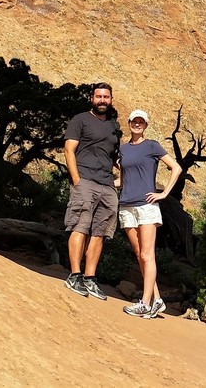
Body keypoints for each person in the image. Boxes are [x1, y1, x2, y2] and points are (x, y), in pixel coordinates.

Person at [117, 109, 182, 319]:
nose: (137, 124)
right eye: (134, 121)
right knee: (139, 255)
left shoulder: (152, 146)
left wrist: (164, 193)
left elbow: (176, 168)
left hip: (146, 206)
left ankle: (145, 303)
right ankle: (157, 300)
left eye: (141, 122)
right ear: (128, 123)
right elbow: (123, 179)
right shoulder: (123, 149)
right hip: (126, 205)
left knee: (147, 255)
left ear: (145, 125)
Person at [63, 83, 121, 300]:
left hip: (107, 185)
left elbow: (115, 158)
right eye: (99, 96)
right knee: (80, 225)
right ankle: (75, 275)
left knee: (100, 232)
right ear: (92, 98)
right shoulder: (80, 120)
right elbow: (69, 150)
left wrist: (121, 179)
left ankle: (89, 278)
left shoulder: (114, 126)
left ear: (111, 99)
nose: (102, 100)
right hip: (85, 180)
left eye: (106, 97)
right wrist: (76, 180)